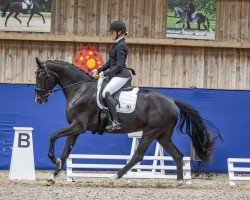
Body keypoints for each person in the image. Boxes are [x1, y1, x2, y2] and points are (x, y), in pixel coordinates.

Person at [91, 21, 132, 131]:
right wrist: (98, 69)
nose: (110, 34)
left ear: (119, 32)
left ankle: (116, 122)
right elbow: (110, 63)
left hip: (122, 75)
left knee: (106, 93)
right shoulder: (116, 44)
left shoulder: (121, 46)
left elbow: (119, 66)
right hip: (116, 74)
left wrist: (103, 74)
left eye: (112, 32)